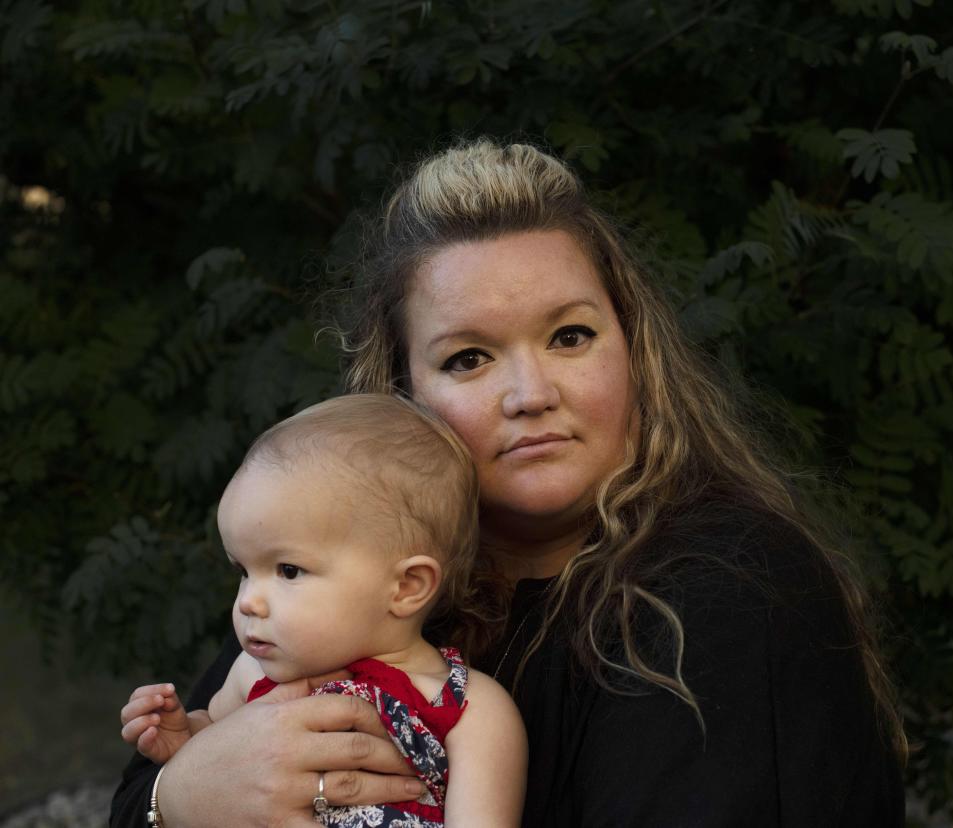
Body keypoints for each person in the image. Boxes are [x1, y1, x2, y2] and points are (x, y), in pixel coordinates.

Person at [112, 140, 906, 827]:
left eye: (570, 336)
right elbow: (143, 795)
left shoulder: (732, 588)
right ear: (403, 397)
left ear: (634, 352)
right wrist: (177, 797)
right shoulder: (345, 567)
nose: (531, 394)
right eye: (469, 358)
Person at [116, 394, 525, 827]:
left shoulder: (467, 708)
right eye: (243, 571)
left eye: (288, 570)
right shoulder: (253, 675)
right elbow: (219, 763)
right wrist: (184, 738)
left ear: (406, 587)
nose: (248, 601)